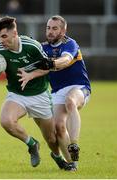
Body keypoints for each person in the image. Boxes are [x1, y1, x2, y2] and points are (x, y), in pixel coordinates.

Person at [0, 16, 74, 170]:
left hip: (40, 95)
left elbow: (48, 66)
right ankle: (32, 144)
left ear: (15, 33)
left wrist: (30, 75)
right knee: (6, 121)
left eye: (4, 36)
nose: (1, 40)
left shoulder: (32, 46)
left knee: (52, 138)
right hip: (17, 94)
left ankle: (58, 157)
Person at [18, 15, 91, 170]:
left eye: (54, 28)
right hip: (57, 92)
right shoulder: (43, 48)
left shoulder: (70, 43)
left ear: (63, 30)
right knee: (58, 127)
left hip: (78, 87)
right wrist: (28, 72)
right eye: (48, 28)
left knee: (70, 101)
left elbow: (65, 60)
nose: (50, 31)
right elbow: (38, 67)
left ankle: (74, 144)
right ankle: (72, 163)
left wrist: (51, 63)